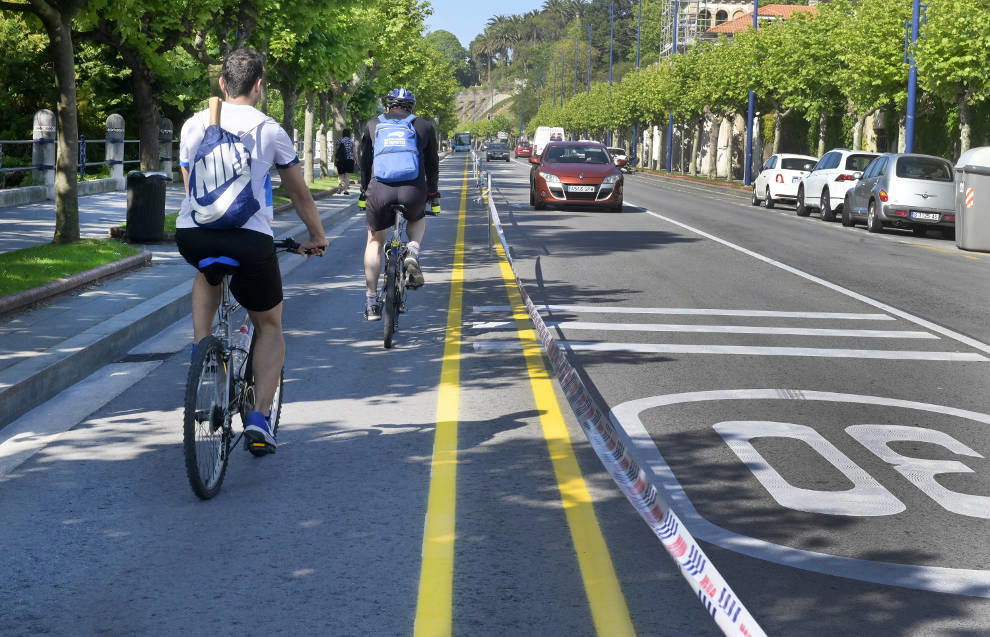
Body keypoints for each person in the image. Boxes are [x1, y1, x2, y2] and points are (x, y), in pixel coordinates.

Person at [175, 47, 327, 453]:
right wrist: (316, 235)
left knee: (207, 269)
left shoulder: (194, 124)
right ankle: (259, 417)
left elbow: (190, 183)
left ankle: (201, 348)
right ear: (260, 87)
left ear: (222, 84)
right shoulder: (270, 130)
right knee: (271, 326)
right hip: (250, 240)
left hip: (194, 236)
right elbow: (299, 195)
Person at [358, 88, 439, 321]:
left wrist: (365, 191)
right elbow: (432, 165)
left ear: (388, 106)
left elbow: (364, 162)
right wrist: (433, 193)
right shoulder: (423, 125)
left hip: (379, 189)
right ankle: (412, 249)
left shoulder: (373, 124)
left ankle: (371, 303)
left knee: (374, 241)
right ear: (411, 107)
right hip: (412, 190)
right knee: (417, 218)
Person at [334, 128, 355, 194]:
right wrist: (356, 160)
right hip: (349, 160)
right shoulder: (351, 141)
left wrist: (335, 158)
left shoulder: (339, 141)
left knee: (341, 175)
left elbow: (336, 151)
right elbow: (354, 152)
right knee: (347, 176)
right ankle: (345, 190)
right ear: (349, 134)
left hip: (341, 160)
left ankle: (340, 184)